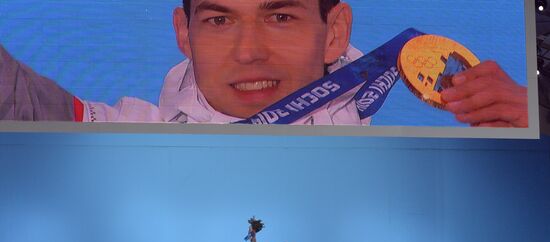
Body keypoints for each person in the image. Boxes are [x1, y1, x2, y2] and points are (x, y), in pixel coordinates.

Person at [0, 1, 528, 127]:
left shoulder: (437, 155)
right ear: (184, 33)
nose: (248, 51)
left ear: (334, 33)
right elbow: (16, 96)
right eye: (219, 20)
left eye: (279, 16)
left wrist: (537, 129)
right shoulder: (123, 135)